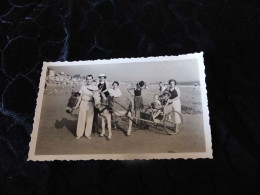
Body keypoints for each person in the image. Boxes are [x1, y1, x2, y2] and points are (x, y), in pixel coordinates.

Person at [73, 75, 98, 140]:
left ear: (92, 80)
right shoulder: (83, 87)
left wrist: (96, 105)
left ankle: (87, 134)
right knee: (81, 119)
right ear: (86, 80)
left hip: (91, 104)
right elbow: (80, 97)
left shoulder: (95, 88)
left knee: (89, 120)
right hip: (83, 103)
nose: (89, 80)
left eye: (90, 79)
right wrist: (76, 105)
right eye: (87, 79)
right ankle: (79, 134)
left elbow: (97, 98)